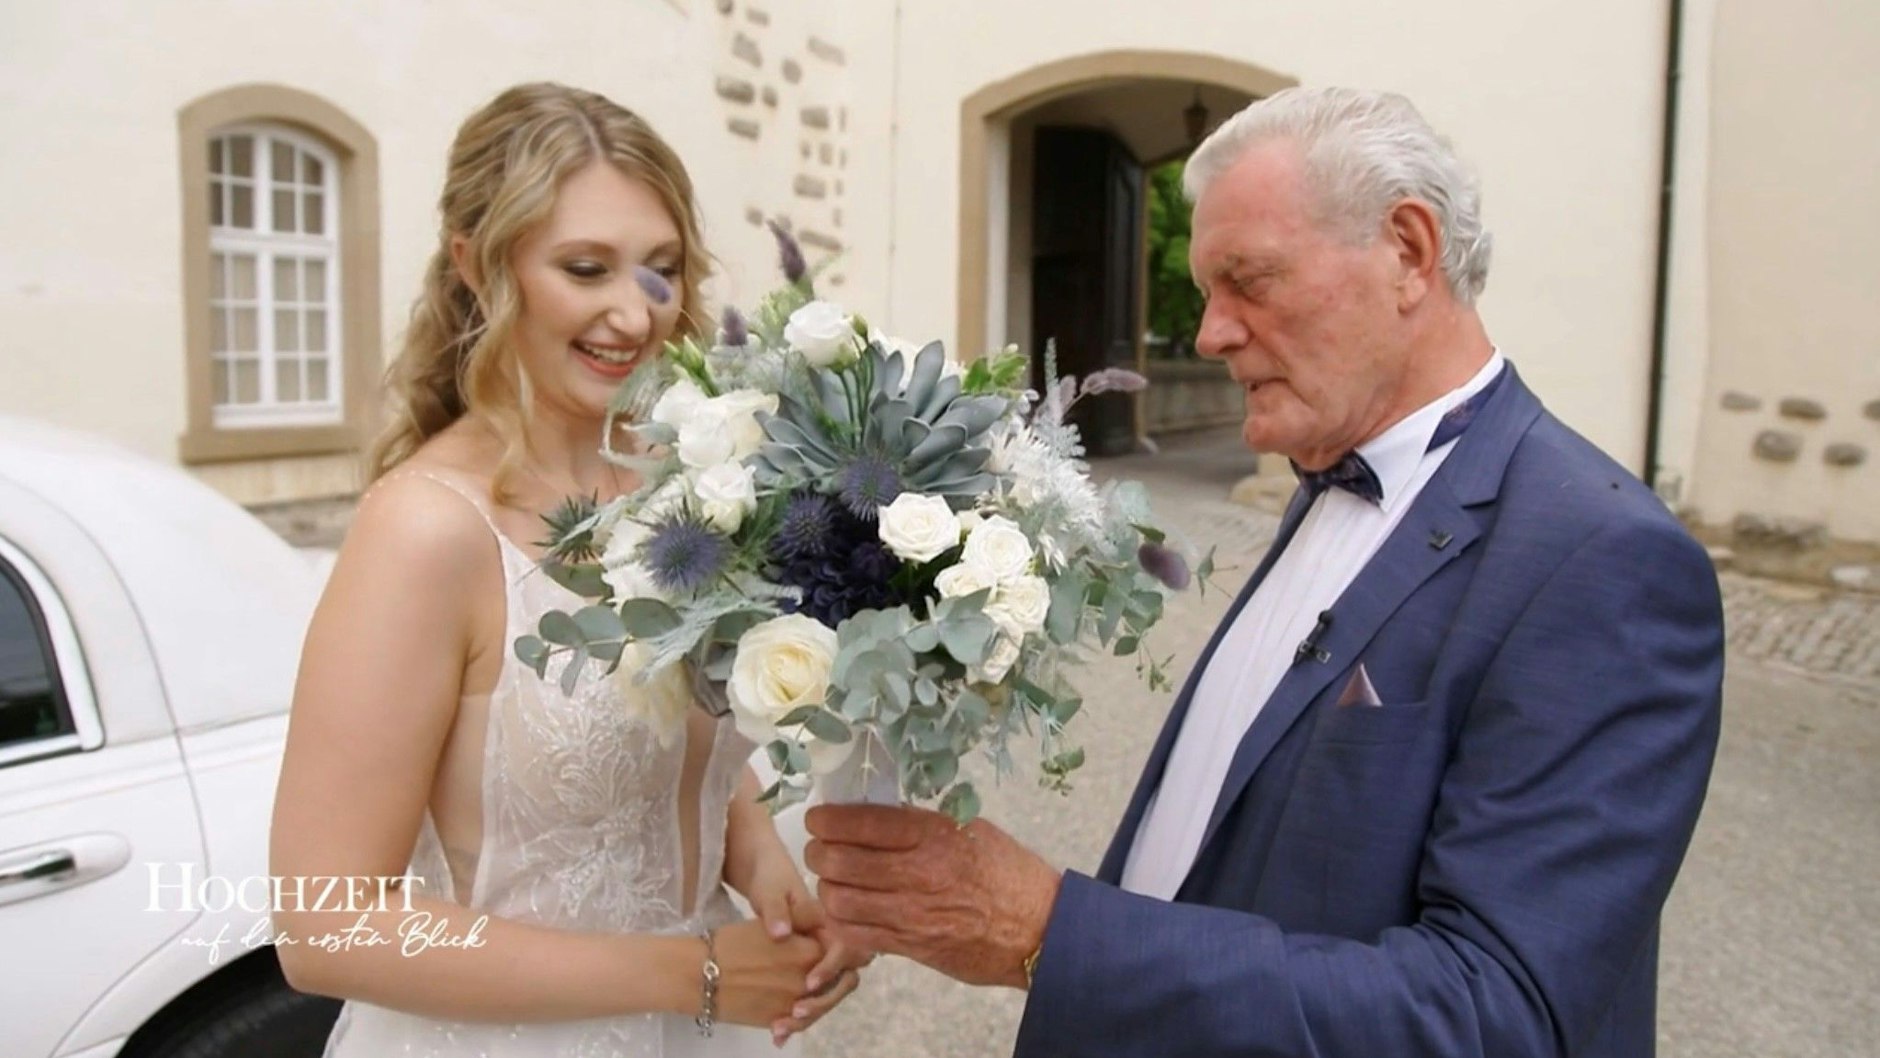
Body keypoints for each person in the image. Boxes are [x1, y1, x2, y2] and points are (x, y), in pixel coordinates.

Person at [805, 86, 1724, 1057]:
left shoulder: (1604, 561)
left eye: (1247, 280)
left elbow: (1495, 1016)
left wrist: (1047, 931)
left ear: (1407, 252)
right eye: (1206, 291)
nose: (1207, 333)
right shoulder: (1330, 468)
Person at [271, 83, 862, 1057]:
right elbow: (325, 925)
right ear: (475, 265)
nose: (633, 315)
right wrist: (700, 970)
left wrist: (751, 848)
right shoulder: (425, 532)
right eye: (585, 268)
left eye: (660, 270)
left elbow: (671, 736)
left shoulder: (678, 481)